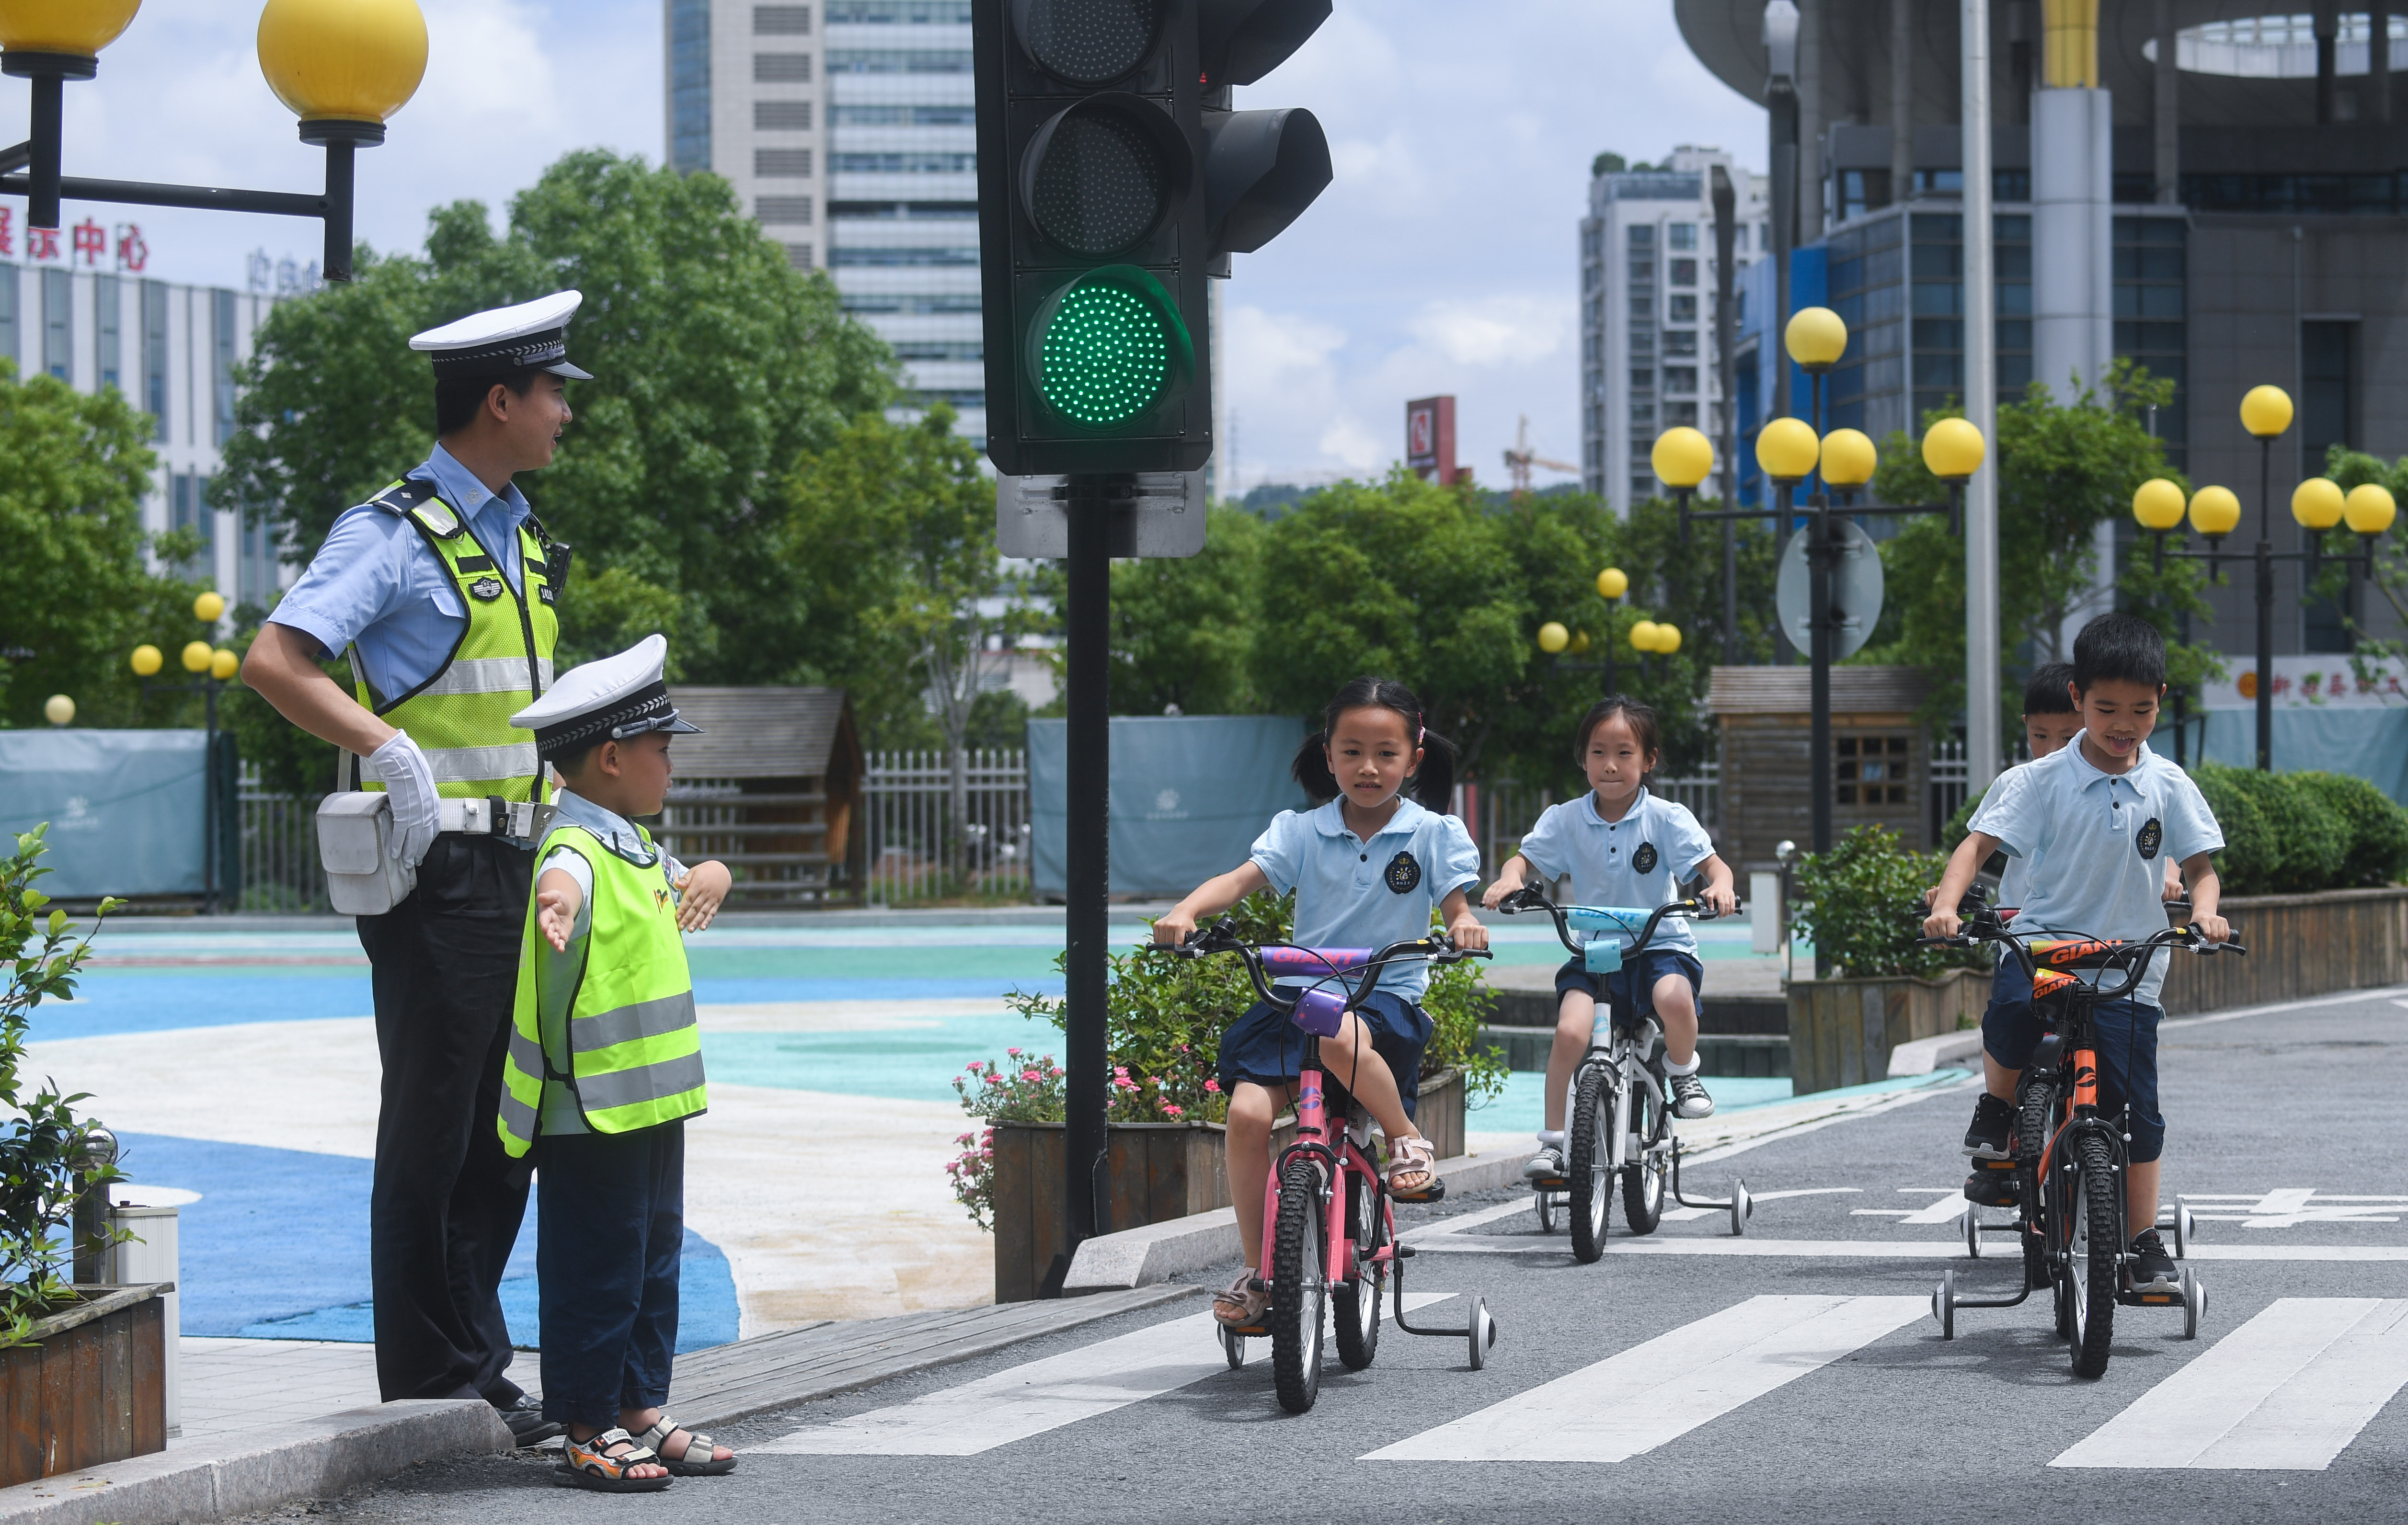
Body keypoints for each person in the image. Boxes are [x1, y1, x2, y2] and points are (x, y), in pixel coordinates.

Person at [240, 292, 588, 1439]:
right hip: (438, 871)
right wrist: (384, 746)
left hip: (522, 863)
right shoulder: (392, 531)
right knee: (436, 1120)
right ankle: (435, 1379)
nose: (565, 413)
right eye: (553, 392)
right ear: (501, 400)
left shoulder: (526, 536)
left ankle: (477, 1366)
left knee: (504, 1127)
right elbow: (276, 657)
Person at [1152, 677, 1487, 1330]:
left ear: (1413, 759)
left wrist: (1465, 922)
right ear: (1327, 755)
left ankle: (1406, 1141)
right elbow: (1241, 881)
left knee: (1335, 1031)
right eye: (1352, 751)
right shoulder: (1301, 832)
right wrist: (1187, 908)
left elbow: (1455, 903)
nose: (1368, 767)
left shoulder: (1431, 834)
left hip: (1380, 1001)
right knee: (1246, 1113)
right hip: (1300, 996)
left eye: (1386, 753)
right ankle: (1259, 1273)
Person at [1924, 613, 2230, 1288]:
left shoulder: (2168, 784)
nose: (2124, 725)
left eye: (2141, 710)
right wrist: (1947, 905)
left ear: (2161, 699)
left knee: (2137, 1112)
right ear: (2077, 700)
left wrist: (2205, 912)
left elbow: (2200, 867)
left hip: (2128, 963)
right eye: (2105, 709)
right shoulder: (2036, 782)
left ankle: (2144, 1241)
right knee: (2006, 1013)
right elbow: (1975, 848)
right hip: (2044, 950)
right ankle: (2000, 1109)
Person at [499, 634, 736, 1491]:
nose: (671, 767)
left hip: (650, 1100)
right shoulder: (576, 849)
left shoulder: (631, 843)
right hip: (590, 1105)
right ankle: (587, 1420)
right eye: (663, 750)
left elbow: (686, 875)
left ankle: (639, 1404)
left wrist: (714, 870)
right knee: (596, 1264)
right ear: (609, 758)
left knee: (650, 1257)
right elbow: (556, 882)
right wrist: (555, 908)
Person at [1481, 697, 1737, 1184]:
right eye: (1598, 752)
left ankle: (1682, 1070)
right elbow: (1523, 861)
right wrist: (1509, 878)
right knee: (1569, 1033)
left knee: (1673, 998)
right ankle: (1554, 1143)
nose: (1611, 765)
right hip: (1595, 950)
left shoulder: (1666, 818)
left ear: (1649, 760)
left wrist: (1719, 886)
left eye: (1624, 752)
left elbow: (1714, 867)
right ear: (1583, 759)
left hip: (1659, 944)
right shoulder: (1566, 818)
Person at [1931, 662, 2181, 916]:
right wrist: (1948, 896)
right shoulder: (2017, 782)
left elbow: (2166, 833)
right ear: (2026, 725)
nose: (2052, 749)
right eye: (2040, 736)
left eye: (2067, 738)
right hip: (2020, 932)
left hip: (2096, 931)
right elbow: (1976, 848)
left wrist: (2171, 876)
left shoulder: (2141, 779)